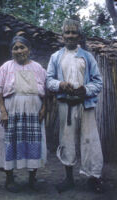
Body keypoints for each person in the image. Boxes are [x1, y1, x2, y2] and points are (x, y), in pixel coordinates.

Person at [46, 18, 103, 193]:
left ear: (79, 35)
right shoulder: (56, 57)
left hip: (85, 105)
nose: (70, 36)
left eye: (74, 32)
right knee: (67, 141)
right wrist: (61, 85)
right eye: (67, 32)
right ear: (62, 35)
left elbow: (98, 82)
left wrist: (85, 89)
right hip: (65, 106)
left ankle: (93, 178)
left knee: (90, 141)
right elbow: (48, 80)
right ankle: (69, 178)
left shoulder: (88, 57)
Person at [0, 36, 47, 192]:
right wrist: (3, 111)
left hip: (33, 112)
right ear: (11, 51)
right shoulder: (6, 67)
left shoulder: (38, 67)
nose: (19, 50)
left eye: (22, 47)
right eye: (15, 48)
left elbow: (46, 91)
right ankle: (9, 179)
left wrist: (44, 109)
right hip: (11, 111)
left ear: (29, 49)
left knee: (34, 143)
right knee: (9, 142)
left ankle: (32, 179)